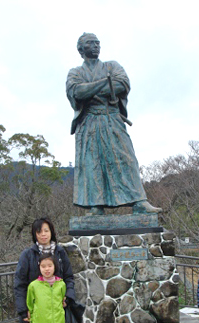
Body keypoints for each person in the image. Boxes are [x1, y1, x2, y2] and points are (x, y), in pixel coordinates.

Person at [66, 32, 161, 215]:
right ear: (81, 49)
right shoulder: (75, 72)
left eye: (97, 43)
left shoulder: (112, 66)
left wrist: (92, 89)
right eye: (91, 43)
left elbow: (122, 85)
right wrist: (105, 84)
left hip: (112, 118)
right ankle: (96, 205)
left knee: (126, 158)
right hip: (89, 122)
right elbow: (76, 92)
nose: (96, 46)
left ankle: (139, 202)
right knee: (93, 163)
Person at [14, 217, 75, 323]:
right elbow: (19, 284)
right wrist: (23, 310)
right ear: (35, 234)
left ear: (52, 232)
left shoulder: (60, 253)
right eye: (39, 231)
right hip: (34, 313)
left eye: (46, 230)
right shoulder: (28, 254)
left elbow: (69, 278)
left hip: (55, 313)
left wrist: (68, 297)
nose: (43, 234)